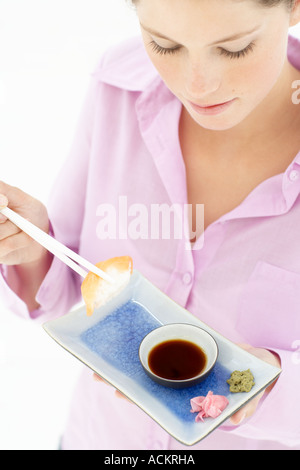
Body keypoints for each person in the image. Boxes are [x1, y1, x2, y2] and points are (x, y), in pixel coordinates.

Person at [0, 0, 300, 450]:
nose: (197, 84)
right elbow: (72, 288)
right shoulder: (119, 85)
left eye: (235, 49)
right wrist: (34, 249)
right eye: (165, 44)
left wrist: (266, 390)